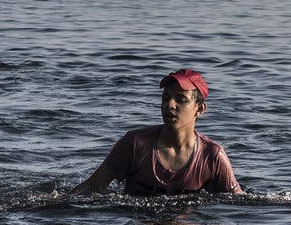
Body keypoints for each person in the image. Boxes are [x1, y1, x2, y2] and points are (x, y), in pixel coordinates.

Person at [78, 70, 242, 195]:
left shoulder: (212, 156)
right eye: (165, 97)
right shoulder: (135, 144)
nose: (170, 104)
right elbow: (92, 186)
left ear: (200, 109)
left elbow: (239, 204)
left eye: (180, 99)